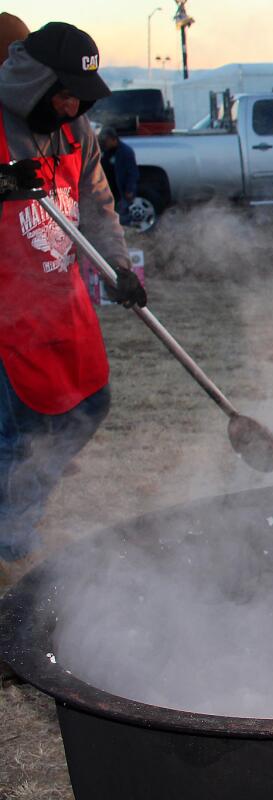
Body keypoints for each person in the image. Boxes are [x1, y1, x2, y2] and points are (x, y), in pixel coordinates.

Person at [0, 22, 146, 568]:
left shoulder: (76, 129)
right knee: (20, 432)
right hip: (6, 310)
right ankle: (10, 546)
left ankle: (19, 506)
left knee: (91, 403)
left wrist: (118, 267)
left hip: (60, 297)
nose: (71, 106)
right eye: (63, 92)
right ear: (32, 81)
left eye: (79, 97)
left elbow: (96, 200)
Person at [99, 127, 138, 226]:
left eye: (106, 140)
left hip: (121, 192)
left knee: (122, 216)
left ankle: (124, 235)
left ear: (113, 139)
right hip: (107, 191)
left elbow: (133, 173)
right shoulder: (105, 151)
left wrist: (130, 190)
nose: (104, 143)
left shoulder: (126, 152)